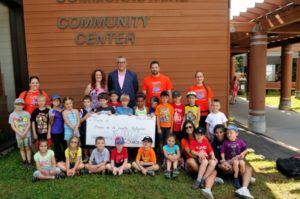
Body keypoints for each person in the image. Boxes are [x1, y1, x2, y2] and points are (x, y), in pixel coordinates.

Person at [212, 125, 254, 199]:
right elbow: (215, 158)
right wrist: (221, 164)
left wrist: (243, 155)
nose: (219, 134)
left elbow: (243, 150)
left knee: (248, 168)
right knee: (236, 165)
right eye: (216, 132)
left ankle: (244, 188)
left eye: (221, 132)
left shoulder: (232, 137)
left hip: (236, 161)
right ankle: (241, 179)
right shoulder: (214, 144)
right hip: (225, 165)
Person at [181, 121, 219, 199]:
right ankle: (202, 179)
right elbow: (191, 152)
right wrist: (200, 155)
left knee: (213, 163)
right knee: (206, 164)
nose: (188, 128)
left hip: (205, 159)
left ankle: (204, 180)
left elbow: (210, 149)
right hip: (195, 160)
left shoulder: (204, 139)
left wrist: (212, 156)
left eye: (190, 127)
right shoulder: (186, 140)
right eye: (186, 127)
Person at [8, 98, 32, 167]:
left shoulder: (27, 113)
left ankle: (29, 161)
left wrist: (24, 132)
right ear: (14, 105)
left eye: (21, 104)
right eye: (17, 104)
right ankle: (24, 161)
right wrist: (19, 133)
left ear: (23, 106)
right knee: (21, 148)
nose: (19, 106)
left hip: (26, 134)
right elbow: (12, 126)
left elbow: (29, 124)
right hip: (19, 135)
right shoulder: (12, 115)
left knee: (27, 148)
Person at [155, 91, 174, 156]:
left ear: (168, 98)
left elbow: (172, 118)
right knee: (161, 140)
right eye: (163, 98)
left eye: (166, 98)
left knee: (167, 141)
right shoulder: (158, 107)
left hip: (168, 127)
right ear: (160, 98)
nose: (164, 99)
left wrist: (171, 128)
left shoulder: (170, 107)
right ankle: (161, 153)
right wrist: (158, 128)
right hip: (161, 127)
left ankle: (166, 153)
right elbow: (157, 117)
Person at [48, 95, 66, 162]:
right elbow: (50, 123)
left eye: (57, 100)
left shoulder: (62, 109)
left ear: (60, 101)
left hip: (63, 130)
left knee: (64, 145)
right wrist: (52, 117)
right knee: (57, 146)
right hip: (55, 131)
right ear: (52, 102)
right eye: (54, 100)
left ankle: (64, 157)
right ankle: (59, 159)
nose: (56, 102)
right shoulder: (51, 111)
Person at [79, 95, 95, 162]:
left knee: (91, 144)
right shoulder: (81, 110)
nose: (86, 103)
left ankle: (91, 156)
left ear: (91, 102)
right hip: (83, 130)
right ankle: (85, 156)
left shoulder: (94, 110)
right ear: (83, 103)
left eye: (88, 102)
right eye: (85, 102)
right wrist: (86, 116)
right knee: (84, 144)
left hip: (92, 130)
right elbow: (80, 121)